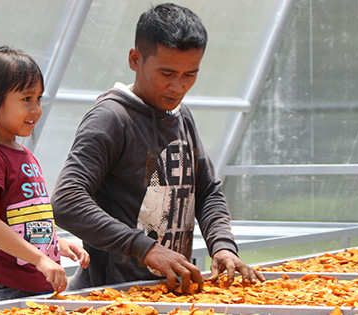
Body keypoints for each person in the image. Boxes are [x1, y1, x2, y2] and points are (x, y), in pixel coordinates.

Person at [51, 3, 264, 293]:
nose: (177, 87)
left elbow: (208, 192)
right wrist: (145, 248)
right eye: (167, 73)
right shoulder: (112, 118)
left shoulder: (181, 115)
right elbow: (67, 200)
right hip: (113, 295)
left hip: (170, 292)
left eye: (189, 75)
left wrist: (223, 246)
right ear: (135, 59)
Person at [0, 46, 89, 304]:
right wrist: (40, 259)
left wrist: (57, 244)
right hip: (3, 286)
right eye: (27, 99)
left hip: (35, 283)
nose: (36, 109)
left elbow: (24, 220)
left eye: (38, 98)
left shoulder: (22, 153)